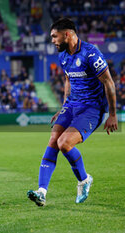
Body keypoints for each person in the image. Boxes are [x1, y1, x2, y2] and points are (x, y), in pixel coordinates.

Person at [27, 18, 118, 206]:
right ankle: (42, 191)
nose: (52, 40)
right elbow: (68, 79)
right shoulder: (63, 55)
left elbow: (108, 82)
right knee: (53, 139)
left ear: (67, 34)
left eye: (54, 36)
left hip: (91, 108)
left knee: (64, 143)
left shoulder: (90, 53)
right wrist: (64, 106)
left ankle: (84, 180)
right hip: (72, 105)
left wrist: (112, 114)